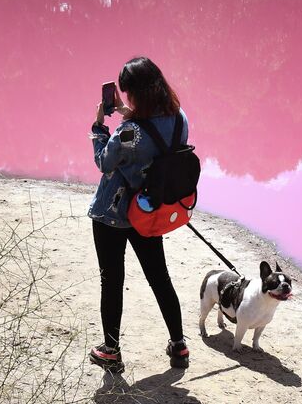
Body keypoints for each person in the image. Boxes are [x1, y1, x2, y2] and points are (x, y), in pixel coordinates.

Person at [87, 57, 190, 373]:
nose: (125, 97)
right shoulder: (179, 119)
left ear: (135, 93)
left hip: (114, 213)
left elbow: (104, 162)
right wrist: (125, 114)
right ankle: (178, 344)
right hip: (150, 210)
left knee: (112, 280)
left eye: (127, 92)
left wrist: (99, 126)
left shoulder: (128, 131)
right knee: (159, 277)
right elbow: (152, 139)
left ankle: (111, 351)